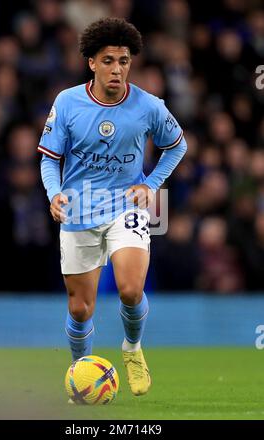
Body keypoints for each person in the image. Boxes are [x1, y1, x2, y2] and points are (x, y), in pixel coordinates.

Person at [38, 17, 187, 397]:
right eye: (108, 60)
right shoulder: (67, 103)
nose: (117, 69)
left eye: (123, 60)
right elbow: (48, 159)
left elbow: (178, 145)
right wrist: (55, 193)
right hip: (80, 211)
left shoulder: (148, 105)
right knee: (79, 310)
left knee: (131, 289)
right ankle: (80, 373)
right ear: (91, 62)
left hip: (126, 207)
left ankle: (133, 348)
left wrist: (151, 185)